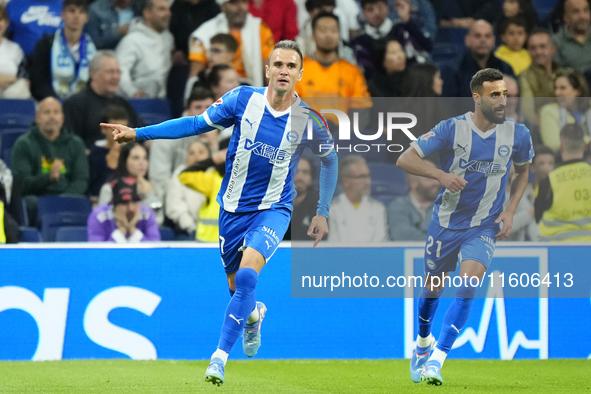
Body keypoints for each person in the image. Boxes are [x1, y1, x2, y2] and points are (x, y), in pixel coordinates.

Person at [101, 40, 338, 386]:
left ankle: (218, 359)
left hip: (274, 208)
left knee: (246, 277)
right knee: (236, 287)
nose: (284, 71)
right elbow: (195, 124)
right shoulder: (242, 100)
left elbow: (330, 161)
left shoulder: (309, 121)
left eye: (291, 66)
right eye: (278, 65)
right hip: (232, 209)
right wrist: (139, 133)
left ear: (300, 74)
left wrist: (322, 211)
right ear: (268, 70)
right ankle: (254, 314)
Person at [397, 68, 533, 385]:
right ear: (477, 97)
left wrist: (511, 210)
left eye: (504, 94)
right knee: (433, 289)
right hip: (446, 223)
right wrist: (440, 176)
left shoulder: (518, 134)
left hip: (484, 226)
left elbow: (523, 172)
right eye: (495, 94)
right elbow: (405, 159)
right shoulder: (451, 129)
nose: (503, 100)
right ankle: (422, 344)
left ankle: (437, 360)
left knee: (469, 284)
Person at [11, 97, 90, 223]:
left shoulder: (75, 143)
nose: (52, 117)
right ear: (37, 118)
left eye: (56, 112)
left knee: (84, 202)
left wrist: (63, 199)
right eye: (47, 112)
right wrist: (48, 178)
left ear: (62, 118)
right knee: (29, 202)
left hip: (68, 198)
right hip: (37, 199)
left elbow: (81, 180)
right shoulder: (23, 144)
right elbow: (21, 183)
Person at [63, 50, 143, 150]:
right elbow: (69, 144)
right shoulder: (75, 104)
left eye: (118, 72)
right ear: (93, 73)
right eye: (110, 72)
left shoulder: (123, 103)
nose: (116, 77)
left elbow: (141, 133)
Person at [295, 12, 372, 115]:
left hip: (343, 129)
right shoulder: (297, 70)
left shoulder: (352, 71)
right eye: (323, 30)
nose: (329, 35)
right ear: (312, 35)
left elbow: (362, 108)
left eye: (334, 30)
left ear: (339, 35)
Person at [149, 87, 215, 205]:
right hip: (174, 202)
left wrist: (214, 146)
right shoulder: (166, 138)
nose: (205, 114)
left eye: (209, 108)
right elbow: (160, 183)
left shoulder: (226, 134)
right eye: (198, 107)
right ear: (188, 112)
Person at [188, 0, 275, 87]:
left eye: (244, 2)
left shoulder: (260, 30)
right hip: (213, 90)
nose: (241, 7)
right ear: (222, 7)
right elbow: (194, 76)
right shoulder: (203, 34)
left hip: (250, 88)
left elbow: (270, 72)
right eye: (233, 3)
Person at [29, 0, 97, 101]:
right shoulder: (46, 44)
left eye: (81, 12)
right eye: (72, 11)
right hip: (51, 101)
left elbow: (96, 81)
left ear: (86, 18)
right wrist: (53, 100)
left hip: (84, 103)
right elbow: (38, 82)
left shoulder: (93, 47)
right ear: (62, 15)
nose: (76, 16)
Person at [536, 123, 591, 241]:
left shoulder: (549, 181)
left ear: (561, 146)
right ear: (585, 146)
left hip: (557, 253)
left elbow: (537, 217)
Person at [351, 0, 432, 79]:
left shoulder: (401, 29)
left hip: (407, 81)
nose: (376, 13)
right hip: (376, 87)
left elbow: (426, 48)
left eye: (380, 8)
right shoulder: (358, 41)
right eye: (370, 9)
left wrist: (409, 22)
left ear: (387, 9)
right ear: (363, 13)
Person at [115, 0, 173, 98]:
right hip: (138, 100)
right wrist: (133, 92)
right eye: (161, 9)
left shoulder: (169, 38)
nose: (168, 14)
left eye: (168, 10)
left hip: (164, 100)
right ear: (147, 13)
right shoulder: (132, 40)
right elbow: (120, 71)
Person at [329, 155, 388, 243]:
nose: (368, 182)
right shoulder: (332, 209)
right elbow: (332, 243)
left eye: (368, 176)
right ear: (345, 181)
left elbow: (381, 242)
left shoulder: (378, 208)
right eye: (361, 177)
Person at [177, 144, 228, 242]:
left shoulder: (250, 180)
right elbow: (185, 175)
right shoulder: (214, 180)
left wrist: (213, 160)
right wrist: (212, 160)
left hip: (232, 245)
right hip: (207, 244)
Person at [98, 142, 162, 221]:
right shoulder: (109, 188)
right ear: (124, 161)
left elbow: (159, 219)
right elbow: (102, 219)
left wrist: (149, 195)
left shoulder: (153, 187)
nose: (142, 163)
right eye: (136, 158)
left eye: (145, 158)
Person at [88, 176, 161, 242]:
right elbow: (97, 252)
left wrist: (133, 230)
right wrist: (121, 230)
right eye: (125, 203)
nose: (131, 208)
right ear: (115, 205)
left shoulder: (147, 214)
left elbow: (155, 250)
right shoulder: (98, 216)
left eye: (135, 202)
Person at [454, 20, 515, 98]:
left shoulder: (506, 69)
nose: (483, 40)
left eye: (487, 36)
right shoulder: (455, 70)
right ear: (467, 40)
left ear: (493, 41)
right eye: (477, 36)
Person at [519, 28, 564, 126]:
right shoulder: (525, 77)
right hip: (543, 128)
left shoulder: (565, 73)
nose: (538, 52)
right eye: (533, 48)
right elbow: (528, 113)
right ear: (528, 51)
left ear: (552, 49)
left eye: (543, 47)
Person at [165, 140, 212, 236]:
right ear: (186, 158)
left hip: (213, 232)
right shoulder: (179, 174)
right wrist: (191, 228)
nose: (196, 156)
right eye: (191, 153)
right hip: (187, 232)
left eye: (201, 152)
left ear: (209, 157)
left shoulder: (216, 175)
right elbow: (175, 206)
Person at [539, 68, 591, 152]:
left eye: (562, 88)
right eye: (556, 88)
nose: (557, 93)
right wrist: (588, 143)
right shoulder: (549, 111)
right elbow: (553, 144)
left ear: (578, 91)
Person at [387, 160, 439, 241]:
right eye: (429, 178)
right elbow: (402, 237)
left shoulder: (446, 206)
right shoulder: (397, 207)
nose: (436, 182)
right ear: (413, 182)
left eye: (437, 178)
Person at [88, 105, 128, 203]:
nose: (119, 134)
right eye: (114, 129)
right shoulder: (95, 153)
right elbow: (93, 184)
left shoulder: (132, 151)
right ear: (103, 129)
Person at [284, 156, 320, 240]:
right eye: (295, 171)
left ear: (311, 178)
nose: (300, 177)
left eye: (305, 172)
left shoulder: (320, 208)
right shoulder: (275, 205)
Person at [553, 0, 591, 74]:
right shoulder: (556, 43)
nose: (582, 16)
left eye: (586, 11)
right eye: (576, 12)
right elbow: (558, 76)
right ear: (566, 17)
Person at [0, 5, 30, 99]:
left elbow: (25, 81)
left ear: (6, 23)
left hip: (10, 98)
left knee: (21, 87)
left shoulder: (15, 49)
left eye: (0, 19)